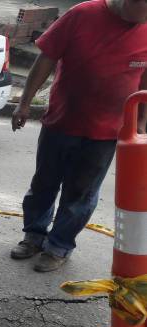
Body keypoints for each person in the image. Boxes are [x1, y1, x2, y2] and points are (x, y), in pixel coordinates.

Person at [11, 0, 147, 272]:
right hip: (61, 122)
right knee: (44, 184)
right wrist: (25, 102)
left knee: (81, 194)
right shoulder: (83, 14)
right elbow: (46, 58)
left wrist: (141, 122)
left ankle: (58, 246)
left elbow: (145, 81)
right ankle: (34, 236)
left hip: (107, 133)